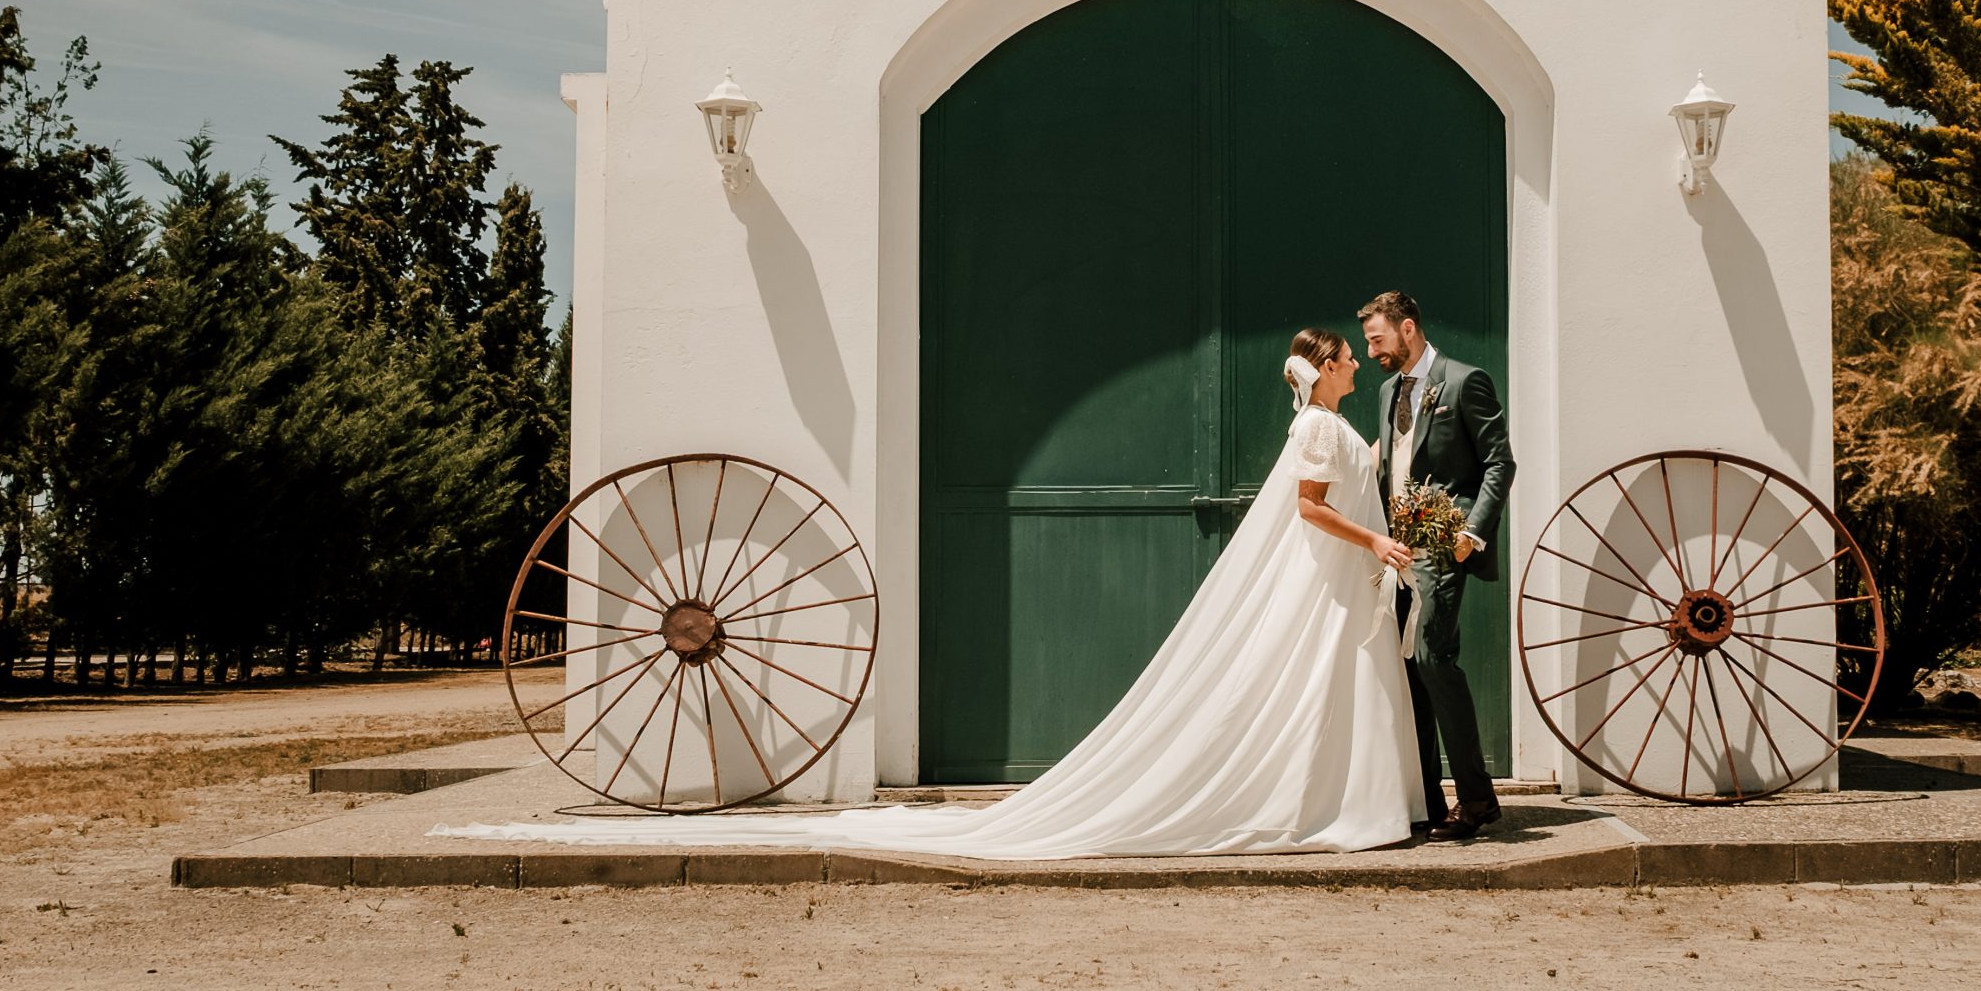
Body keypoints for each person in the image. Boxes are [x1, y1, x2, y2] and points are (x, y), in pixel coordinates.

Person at [441, 328, 1426, 857]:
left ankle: (1353, 802)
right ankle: (1331, 806)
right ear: (1326, 366)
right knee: (1311, 685)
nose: (1351, 357)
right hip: (1334, 572)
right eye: (1344, 351)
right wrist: (1377, 533)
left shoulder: (1339, 429)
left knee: (1334, 687)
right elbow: (1307, 509)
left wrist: (1389, 495)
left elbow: (1347, 475)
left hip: (1346, 580)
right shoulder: (1313, 429)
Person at [1362, 287, 1514, 839]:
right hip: (1396, 550)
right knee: (1407, 676)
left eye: (1377, 339)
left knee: (1432, 659)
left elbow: (1500, 462)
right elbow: (1388, 464)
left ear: (1407, 329)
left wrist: (1472, 533)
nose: (1373, 351)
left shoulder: (1464, 380)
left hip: (1445, 544)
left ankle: (1476, 800)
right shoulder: (1384, 392)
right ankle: (1426, 802)